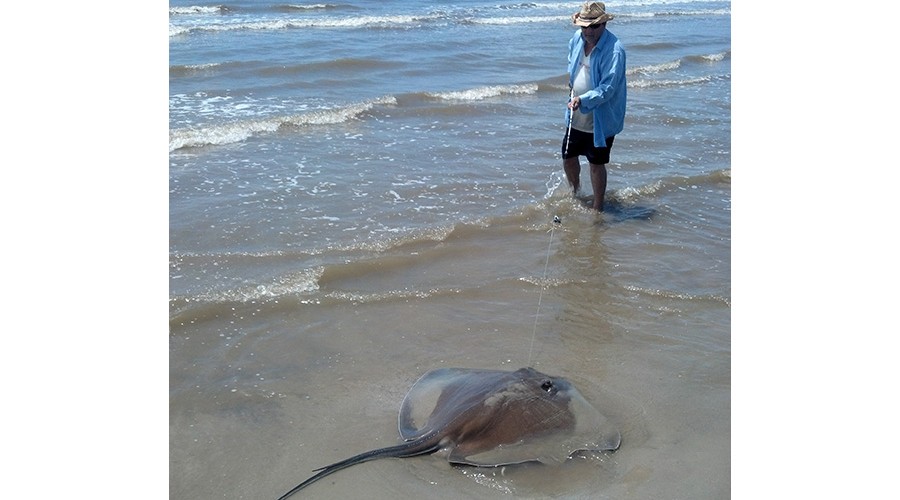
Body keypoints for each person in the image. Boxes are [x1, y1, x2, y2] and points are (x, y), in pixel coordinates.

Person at [562, 2, 627, 211]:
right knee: (568, 156)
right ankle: (576, 193)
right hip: (575, 113)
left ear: (604, 24)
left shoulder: (614, 50)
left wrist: (583, 99)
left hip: (601, 117)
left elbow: (607, 88)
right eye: (584, 26)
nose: (588, 31)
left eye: (593, 26)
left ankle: (598, 207)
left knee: (596, 163)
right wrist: (573, 88)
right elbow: (572, 65)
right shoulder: (576, 39)